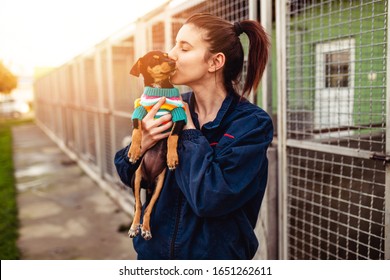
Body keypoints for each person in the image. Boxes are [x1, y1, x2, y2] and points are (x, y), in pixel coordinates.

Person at [114, 13, 273, 260]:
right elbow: (129, 175)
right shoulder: (166, 106)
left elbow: (211, 198)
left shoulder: (251, 124)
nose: (171, 54)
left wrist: (187, 131)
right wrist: (142, 143)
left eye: (184, 48)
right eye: (174, 44)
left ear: (215, 62)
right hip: (153, 256)